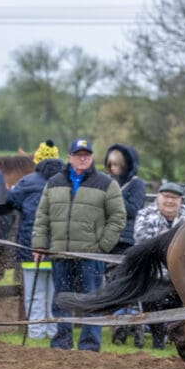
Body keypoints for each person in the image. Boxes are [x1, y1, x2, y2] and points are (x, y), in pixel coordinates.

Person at [32, 138, 126, 351]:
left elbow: (118, 217)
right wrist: (39, 244)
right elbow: (42, 216)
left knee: (92, 301)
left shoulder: (106, 183)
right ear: (70, 157)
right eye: (78, 155)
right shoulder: (54, 182)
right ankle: (61, 343)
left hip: (91, 256)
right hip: (60, 253)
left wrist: (103, 247)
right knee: (61, 300)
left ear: (92, 157)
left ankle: (89, 346)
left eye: (86, 155)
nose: (83, 158)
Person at [6, 140, 63, 340]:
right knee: (55, 295)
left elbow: (10, 199)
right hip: (58, 248)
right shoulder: (64, 181)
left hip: (31, 248)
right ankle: (55, 331)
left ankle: (36, 333)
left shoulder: (27, 182)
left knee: (34, 294)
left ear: (38, 160)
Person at [133, 182, 185, 349]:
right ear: (158, 197)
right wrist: (171, 241)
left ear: (180, 200)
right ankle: (158, 340)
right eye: (166, 196)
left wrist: (162, 238)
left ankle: (180, 338)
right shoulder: (145, 214)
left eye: (174, 198)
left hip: (181, 274)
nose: (169, 201)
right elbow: (141, 239)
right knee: (151, 301)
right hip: (154, 272)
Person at [103, 144, 146, 254]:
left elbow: (134, 210)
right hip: (105, 235)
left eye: (116, 164)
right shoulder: (107, 181)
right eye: (110, 164)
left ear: (124, 165)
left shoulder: (136, 183)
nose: (112, 168)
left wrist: (115, 194)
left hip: (125, 238)